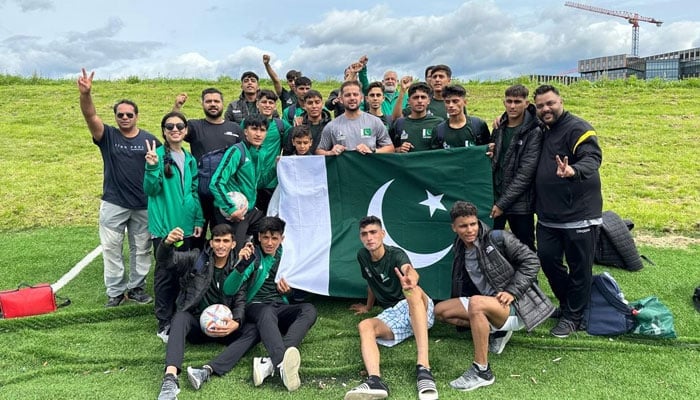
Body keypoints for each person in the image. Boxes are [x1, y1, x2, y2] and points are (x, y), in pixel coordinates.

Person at [434, 201, 554, 392]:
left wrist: (512, 291)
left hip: (516, 306)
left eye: (473, 224)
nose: (469, 229)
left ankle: (482, 371)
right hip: (488, 305)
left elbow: (532, 261)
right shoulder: (459, 247)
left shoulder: (497, 238)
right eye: (463, 226)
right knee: (440, 312)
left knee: (476, 303)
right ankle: (498, 331)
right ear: (454, 228)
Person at [77, 68, 157, 307]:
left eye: (129, 114)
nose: (124, 117)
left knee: (141, 249)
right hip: (113, 203)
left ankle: (136, 288)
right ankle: (115, 292)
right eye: (120, 114)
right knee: (111, 248)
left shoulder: (150, 139)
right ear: (115, 117)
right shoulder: (107, 135)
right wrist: (85, 95)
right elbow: (90, 116)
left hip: (143, 204)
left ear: (136, 116)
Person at [155, 224, 259, 400]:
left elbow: (240, 296)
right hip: (197, 326)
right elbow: (166, 261)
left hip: (224, 329)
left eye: (226, 241)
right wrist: (166, 244)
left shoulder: (239, 265)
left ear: (233, 244)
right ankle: (170, 378)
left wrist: (237, 322)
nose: (221, 245)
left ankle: (207, 370)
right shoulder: (197, 259)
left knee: (254, 330)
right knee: (179, 317)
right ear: (211, 243)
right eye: (217, 240)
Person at [533, 84, 603, 338]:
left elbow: (592, 158)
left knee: (579, 267)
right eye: (540, 106)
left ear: (561, 101)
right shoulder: (543, 127)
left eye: (550, 103)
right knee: (548, 260)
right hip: (548, 215)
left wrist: (574, 171)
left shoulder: (578, 128)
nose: (545, 109)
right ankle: (568, 305)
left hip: (579, 214)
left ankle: (575, 316)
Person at [344, 216, 438, 400]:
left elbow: (409, 269)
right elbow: (371, 281)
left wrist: (411, 279)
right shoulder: (362, 255)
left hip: (417, 306)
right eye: (364, 234)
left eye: (373, 232)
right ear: (360, 237)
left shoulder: (396, 254)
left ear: (383, 234)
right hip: (394, 315)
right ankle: (375, 381)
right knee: (365, 326)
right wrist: (368, 306)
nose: (369, 237)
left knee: (414, 292)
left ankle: (424, 368)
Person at [222, 216, 318, 392]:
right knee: (267, 311)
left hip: (280, 306)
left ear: (282, 238)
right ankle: (282, 363)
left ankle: (268, 363)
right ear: (259, 237)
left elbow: (298, 291)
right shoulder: (253, 256)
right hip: (257, 306)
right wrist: (241, 266)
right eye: (265, 237)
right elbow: (228, 289)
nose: (269, 242)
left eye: (274, 238)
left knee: (309, 309)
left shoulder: (288, 257)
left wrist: (288, 292)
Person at [144, 112, 204, 342]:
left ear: (186, 130)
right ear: (164, 131)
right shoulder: (156, 156)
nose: (175, 129)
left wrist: (197, 220)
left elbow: (192, 192)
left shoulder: (189, 159)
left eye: (179, 126)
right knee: (165, 275)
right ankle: (164, 322)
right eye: (170, 126)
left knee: (183, 274)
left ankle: (179, 317)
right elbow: (151, 190)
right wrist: (151, 167)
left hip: (186, 227)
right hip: (165, 229)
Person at [173, 88, 243, 249]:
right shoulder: (194, 126)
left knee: (223, 237)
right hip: (199, 193)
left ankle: (220, 271)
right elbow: (174, 130)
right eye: (209, 101)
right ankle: (194, 270)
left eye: (216, 101)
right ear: (202, 104)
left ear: (222, 104)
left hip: (224, 195)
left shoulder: (235, 128)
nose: (213, 104)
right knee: (196, 236)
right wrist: (177, 107)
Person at [209, 114, 273, 256]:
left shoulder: (260, 153)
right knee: (233, 254)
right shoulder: (237, 151)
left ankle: (258, 273)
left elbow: (259, 182)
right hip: (234, 213)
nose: (258, 134)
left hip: (249, 210)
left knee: (269, 232)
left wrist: (275, 168)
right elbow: (216, 182)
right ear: (245, 131)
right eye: (254, 129)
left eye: (262, 130)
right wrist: (231, 209)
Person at [490, 84, 543, 252]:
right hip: (494, 197)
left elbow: (526, 173)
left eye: (518, 102)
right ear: (504, 102)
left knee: (525, 248)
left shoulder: (534, 130)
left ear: (526, 104)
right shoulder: (499, 127)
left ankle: (529, 279)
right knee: (491, 245)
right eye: (509, 101)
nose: (513, 106)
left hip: (520, 203)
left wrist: (502, 204)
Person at [316, 80, 395, 156]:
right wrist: (330, 153)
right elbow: (319, 151)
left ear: (361, 98)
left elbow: (390, 148)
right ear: (341, 99)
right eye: (347, 95)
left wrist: (373, 150)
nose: (352, 98)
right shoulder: (332, 126)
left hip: (368, 169)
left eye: (355, 94)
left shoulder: (375, 121)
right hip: (344, 169)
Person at [390, 81, 443, 153]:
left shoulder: (438, 123)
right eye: (415, 97)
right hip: (407, 163)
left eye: (423, 97)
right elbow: (389, 148)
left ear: (428, 101)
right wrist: (399, 149)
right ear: (408, 101)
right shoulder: (399, 123)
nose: (420, 101)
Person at [432, 84, 491, 149]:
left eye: (455, 101)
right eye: (447, 102)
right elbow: (436, 156)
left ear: (465, 102)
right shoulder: (439, 130)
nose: (451, 105)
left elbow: (488, 150)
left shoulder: (478, 125)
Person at [283, 89, 332, 155]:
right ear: (304, 105)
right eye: (310, 103)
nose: (314, 106)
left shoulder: (331, 127)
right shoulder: (296, 128)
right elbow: (287, 155)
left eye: (317, 102)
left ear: (322, 104)